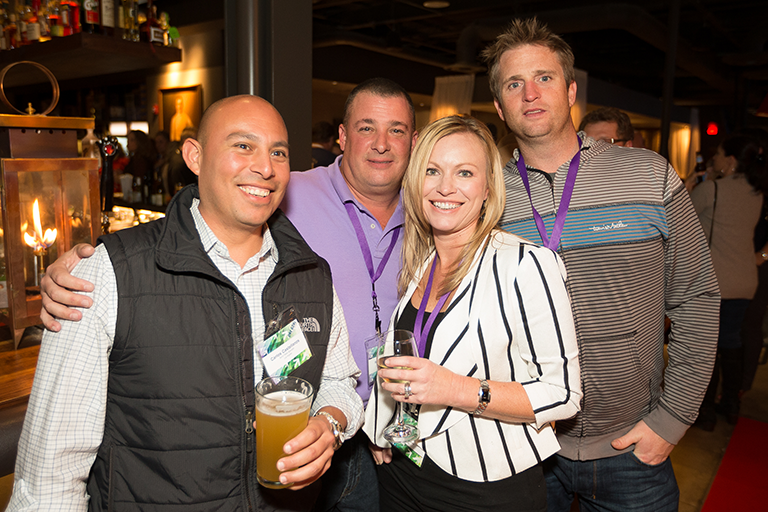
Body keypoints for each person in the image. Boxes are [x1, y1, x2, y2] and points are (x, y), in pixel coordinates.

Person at [36, 77, 417, 512]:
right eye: (242, 146)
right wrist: (93, 261)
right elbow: (51, 473)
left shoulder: (313, 272)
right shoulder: (109, 275)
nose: (265, 167)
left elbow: (337, 379)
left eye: (278, 152)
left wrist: (329, 423)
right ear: (194, 156)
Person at [481, 18, 719, 511]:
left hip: (631, 449)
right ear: (500, 107)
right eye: (513, 84)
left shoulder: (647, 174)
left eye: (544, 78)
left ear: (570, 91)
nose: (530, 94)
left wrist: (672, 419)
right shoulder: (486, 197)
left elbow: (697, 297)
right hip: (525, 447)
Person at [364, 115, 581, 512]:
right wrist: (380, 425)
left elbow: (562, 395)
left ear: (487, 189)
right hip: (403, 473)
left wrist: (456, 389)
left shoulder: (525, 263)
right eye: (432, 170)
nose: (445, 187)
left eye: (464, 172)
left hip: (482, 486)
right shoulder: (421, 261)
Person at [690, 135, 765, 429]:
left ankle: (705, 412)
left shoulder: (712, 190)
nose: (715, 159)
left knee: (707, 347)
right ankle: (731, 403)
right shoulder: (756, 193)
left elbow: (680, 219)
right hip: (745, 279)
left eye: (719, 154)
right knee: (731, 340)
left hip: (715, 280)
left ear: (731, 161)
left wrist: (697, 182)